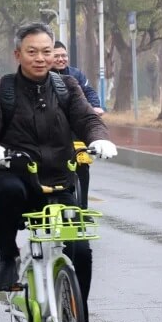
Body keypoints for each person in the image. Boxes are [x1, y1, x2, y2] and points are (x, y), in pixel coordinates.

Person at [0, 21, 117, 322]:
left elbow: (87, 119)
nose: (40, 58)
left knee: (80, 248)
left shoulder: (67, 88)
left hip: (59, 181)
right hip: (16, 175)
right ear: (18, 54)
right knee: (6, 191)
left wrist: (99, 138)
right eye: (32, 52)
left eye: (46, 51)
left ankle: (75, 319)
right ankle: (8, 257)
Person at [52, 40, 104, 208]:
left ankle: (83, 208)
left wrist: (95, 106)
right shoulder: (41, 75)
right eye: (56, 56)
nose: (61, 59)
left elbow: (89, 92)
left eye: (64, 55)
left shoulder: (76, 75)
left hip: (75, 129)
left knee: (82, 165)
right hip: (51, 130)